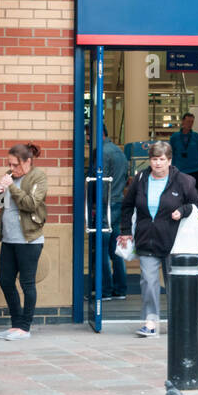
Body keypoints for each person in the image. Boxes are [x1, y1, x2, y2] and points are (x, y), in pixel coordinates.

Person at [118, 141, 198, 337]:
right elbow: (127, 206)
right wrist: (125, 230)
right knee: (148, 281)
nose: (157, 164)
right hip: (147, 238)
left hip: (174, 240)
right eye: (154, 159)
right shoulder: (140, 179)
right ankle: (151, 321)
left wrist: (182, 210)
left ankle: (178, 321)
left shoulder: (183, 181)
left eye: (162, 159)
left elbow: (195, 205)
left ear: (169, 161)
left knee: (175, 282)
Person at [0, 143, 48, 341]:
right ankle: (15, 324)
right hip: (8, 238)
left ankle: (25, 327)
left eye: (16, 165)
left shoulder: (38, 177)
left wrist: (11, 188)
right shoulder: (10, 176)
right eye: (9, 164)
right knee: (5, 281)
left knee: (26, 283)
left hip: (29, 240)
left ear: (27, 162)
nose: (12, 168)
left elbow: (31, 204)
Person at [92, 125, 129, 300]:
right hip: (117, 202)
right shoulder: (119, 152)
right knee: (115, 249)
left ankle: (104, 290)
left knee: (101, 248)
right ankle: (120, 288)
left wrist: (94, 205)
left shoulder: (103, 153)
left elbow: (101, 182)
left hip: (105, 205)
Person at [169, 112, 198, 213]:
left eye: (192, 122)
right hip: (181, 172)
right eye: (188, 121)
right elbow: (170, 154)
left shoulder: (196, 137)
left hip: (197, 171)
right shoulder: (175, 137)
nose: (190, 124)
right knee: (181, 196)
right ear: (183, 122)